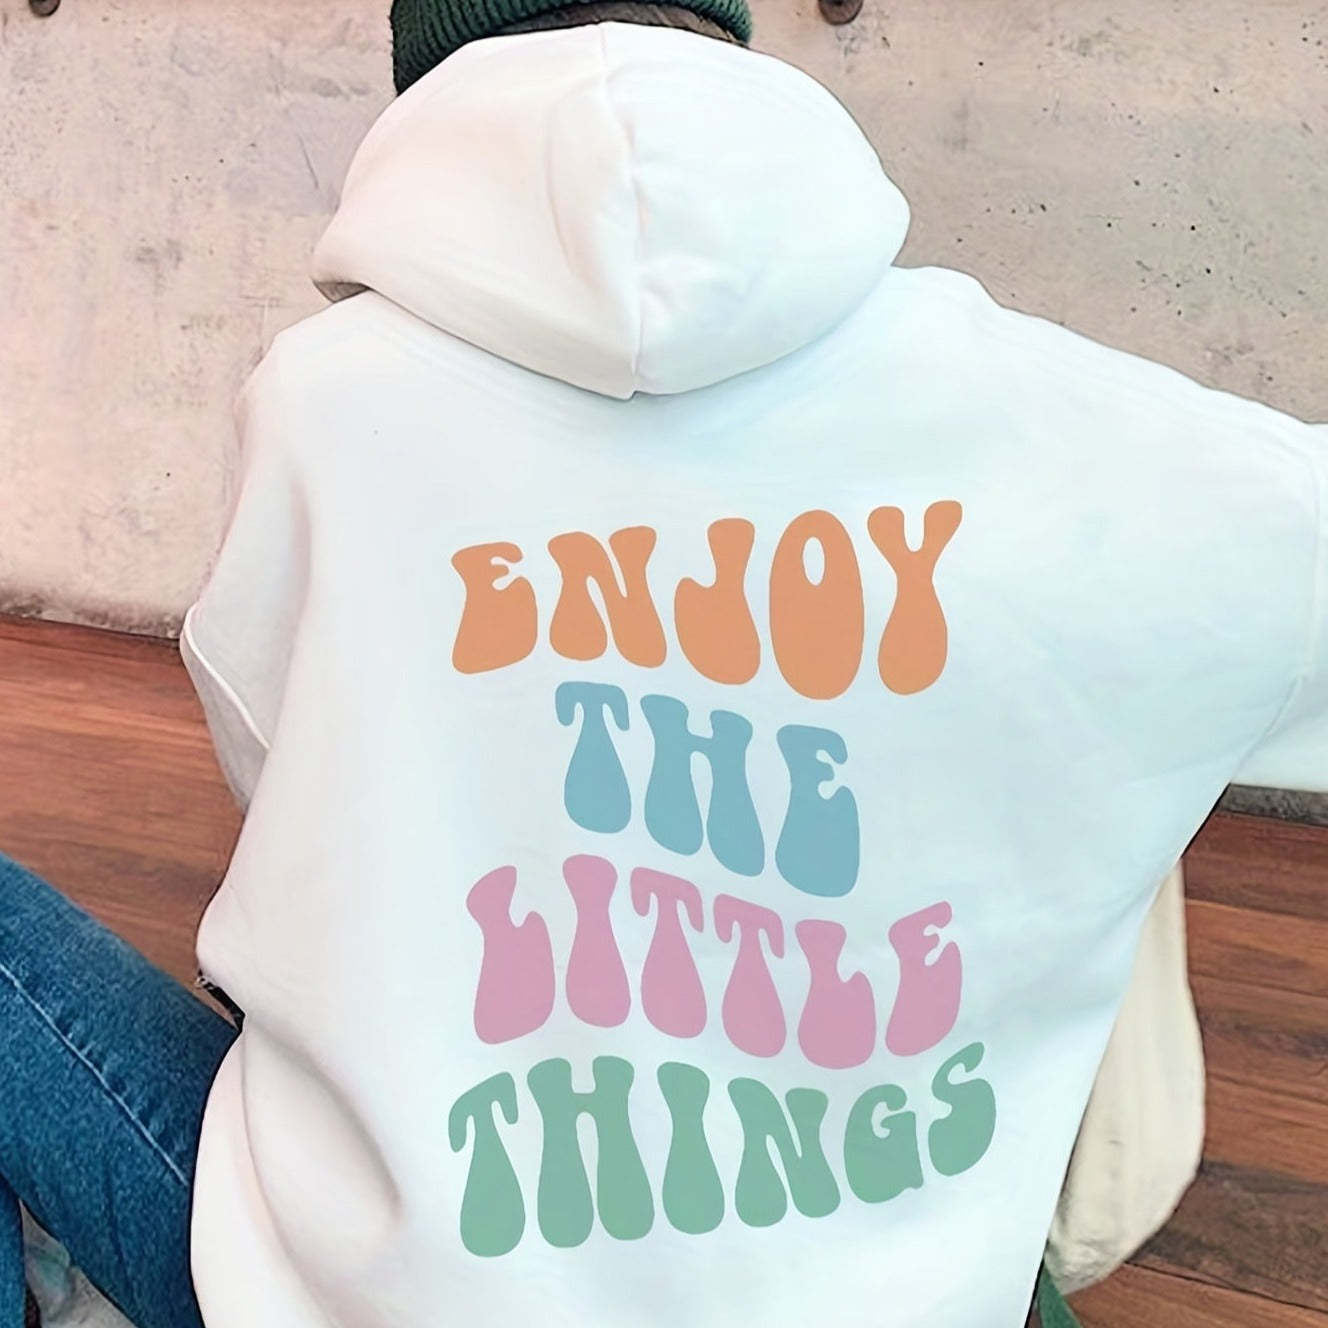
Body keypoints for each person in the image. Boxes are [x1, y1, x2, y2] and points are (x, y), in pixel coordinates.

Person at [3, 1, 1326, 1325]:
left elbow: (295, 813)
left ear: (433, 64)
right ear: (725, 37)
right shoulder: (1075, 427)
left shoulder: (320, 400)